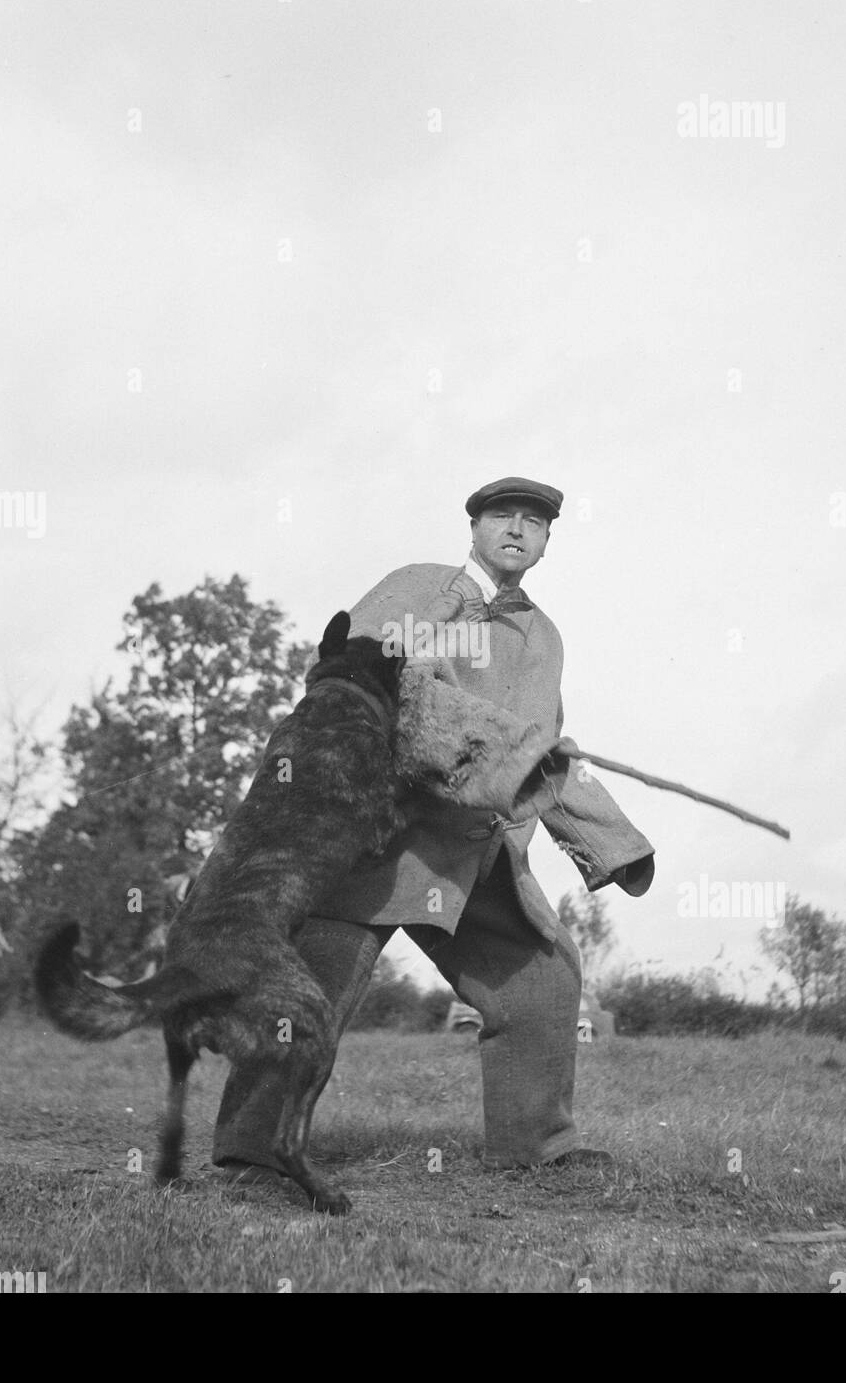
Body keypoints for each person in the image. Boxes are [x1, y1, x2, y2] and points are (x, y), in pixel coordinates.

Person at [214, 476, 656, 1180]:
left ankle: (536, 1150)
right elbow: (355, 679)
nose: (517, 529)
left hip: (479, 850)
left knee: (544, 979)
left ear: (546, 544)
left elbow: (541, 748)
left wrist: (609, 843)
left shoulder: (543, 637)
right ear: (474, 526)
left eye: (535, 523)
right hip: (385, 841)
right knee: (311, 991)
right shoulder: (418, 587)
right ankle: (250, 1154)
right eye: (503, 516)